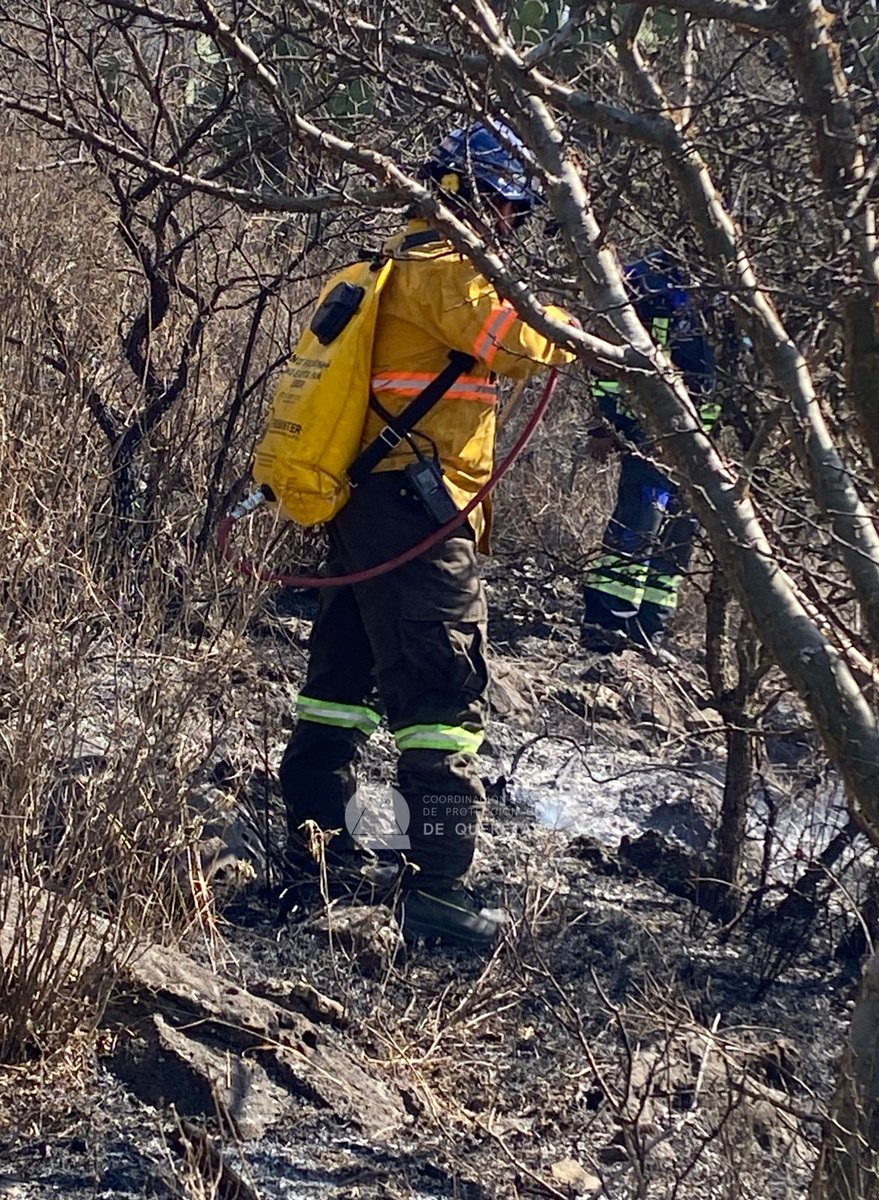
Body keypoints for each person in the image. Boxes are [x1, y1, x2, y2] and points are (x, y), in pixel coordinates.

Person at [279, 122, 575, 949]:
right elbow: (526, 343)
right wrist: (583, 312)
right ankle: (437, 890)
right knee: (440, 691)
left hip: (369, 504)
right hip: (415, 510)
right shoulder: (448, 270)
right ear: (485, 199)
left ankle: (319, 849)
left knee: (340, 676)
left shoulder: (393, 262)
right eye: (511, 210)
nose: (514, 227)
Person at [582, 250, 718, 657]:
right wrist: (607, 426)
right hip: (649, 427)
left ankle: (649, 631)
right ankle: (606, 624)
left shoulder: (727, 288)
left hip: (702, 438)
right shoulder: (645, 281)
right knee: (641, 518)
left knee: (681, 529)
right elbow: (607, 360)